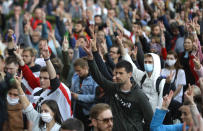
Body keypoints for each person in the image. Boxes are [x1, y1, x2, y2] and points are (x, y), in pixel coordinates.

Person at [83, 38, 153, 131]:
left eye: (121, 73)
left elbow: (150, 119)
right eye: (116, 73)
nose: (117, 76)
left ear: (129, 74)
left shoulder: (139, 95)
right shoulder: (114, 88)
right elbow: (99, 78)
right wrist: (91, 58)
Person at [14, 40, 72, 121]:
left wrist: (47, 59)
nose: (41, 80)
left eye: (45, 78)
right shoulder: (37, 90)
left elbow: (54, 80)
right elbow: (30, 76)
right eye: (40, 77)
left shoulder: (60, 90)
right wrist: (20, 60)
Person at [119, 35, 165, 112]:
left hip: (153, 117)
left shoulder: (161, 82)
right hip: (141, 116)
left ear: (156, 64)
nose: (147, 64)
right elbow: (130, 63)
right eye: (145, 62)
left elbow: (161, 103)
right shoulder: (142, 76)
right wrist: (121, 46)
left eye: (150, 62)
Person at [71, 58, 98, 130]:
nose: (77, 73)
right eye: (76, 71)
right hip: (76, 113)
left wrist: (79, 97)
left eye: (79, 71)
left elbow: (96, 97)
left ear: (85, 68)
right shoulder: (75, 78)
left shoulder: (95, 79)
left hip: (88, 114)